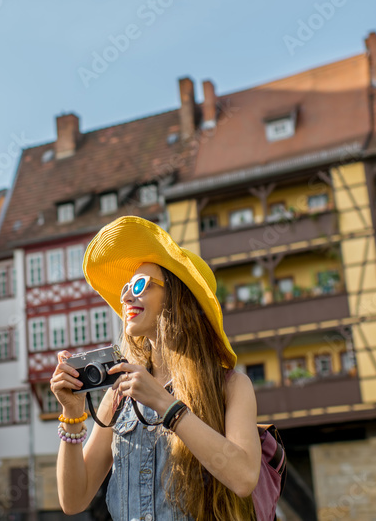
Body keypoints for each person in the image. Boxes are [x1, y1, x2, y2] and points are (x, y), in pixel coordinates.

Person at [51, 216, 261, 520]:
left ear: (178, 298)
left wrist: (166, 405)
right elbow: (73, 500)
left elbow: (243, 478)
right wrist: (72, 415)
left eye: (139, 285)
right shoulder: (119, 393)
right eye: (125, 287)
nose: (125, 297)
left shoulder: (231, 386)